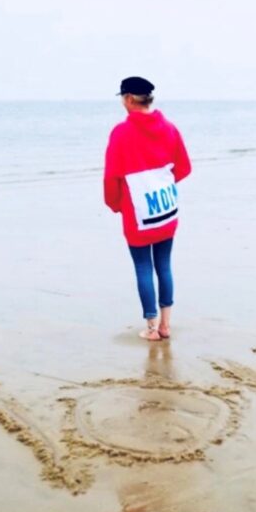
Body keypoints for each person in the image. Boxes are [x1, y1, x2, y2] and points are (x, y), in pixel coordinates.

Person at [103, 76, 192, 341]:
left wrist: (116, 205)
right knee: (164, 265)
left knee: (143, 267)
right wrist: (160, 183)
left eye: (122, 98)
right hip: (166, 209)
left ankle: (151, 329)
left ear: (129, 99)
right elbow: (183, 167)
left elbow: (111, 177)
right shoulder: (170, 128)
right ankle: (166, 325)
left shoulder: (121, 133)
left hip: (138, 213)